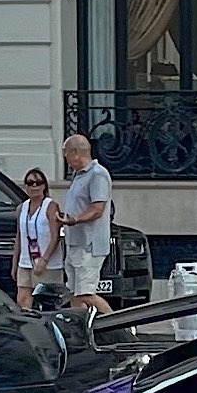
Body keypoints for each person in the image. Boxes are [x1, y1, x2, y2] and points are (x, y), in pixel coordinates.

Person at [59, 134, 115, 315]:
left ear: (75, 152)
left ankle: (119, 327)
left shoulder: (98, 174)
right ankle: (79, 332)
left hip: (89, 246)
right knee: (75, 294)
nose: (65, 159)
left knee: (86, 293)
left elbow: (98, 209)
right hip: (75, 242)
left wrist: (75, 219)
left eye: (66, 153)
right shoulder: (78, 176)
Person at [15, 167, 61, 308]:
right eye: (30, 183)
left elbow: (56, 236)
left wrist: (44, 259)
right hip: (26, 261)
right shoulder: (22, 208)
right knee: (22, 299)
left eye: (38, 182)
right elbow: (19, 236)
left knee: (45, 299)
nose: (34, 186)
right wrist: (15, 262)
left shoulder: (51, 206)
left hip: (47, 262)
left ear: (44, 185)